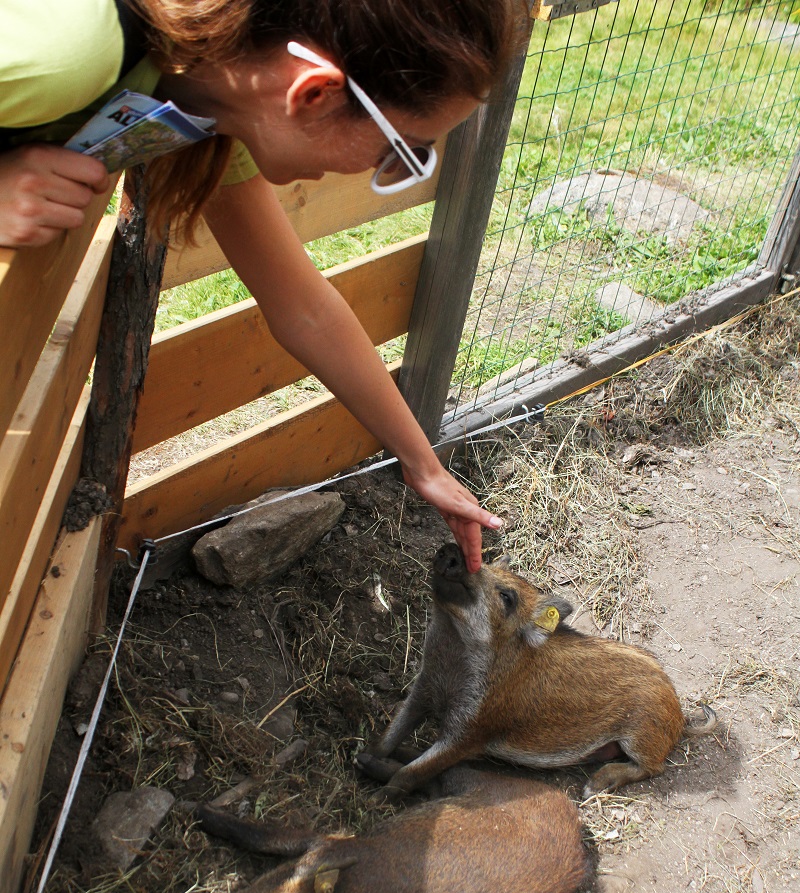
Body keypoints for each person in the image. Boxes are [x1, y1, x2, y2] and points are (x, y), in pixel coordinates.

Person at [0, 0, 529, 570]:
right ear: (315, 93)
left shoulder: (207, 103)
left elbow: (303, 307)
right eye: (399, 152)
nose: (384, 174)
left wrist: (423, 466)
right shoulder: (66, 52)